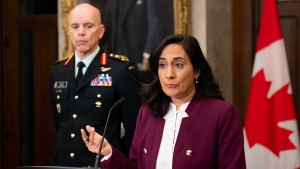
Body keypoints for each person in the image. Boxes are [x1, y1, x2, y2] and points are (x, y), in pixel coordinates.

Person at [81, 34, 246, 168]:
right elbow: (136, 166)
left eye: (179, 65)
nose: (169, 74)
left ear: (196, 70)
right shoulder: (147, 112)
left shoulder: (222, 114)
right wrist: (108, 152)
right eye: (162, 65)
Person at [49, 3, 141, 167]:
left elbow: (135, 130)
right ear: (68, 30)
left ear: (101, 31)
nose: (81, 32)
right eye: (75, 26)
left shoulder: (119, 70)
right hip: (63, 164)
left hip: (101, 164)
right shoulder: (58, 71)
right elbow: (60, 125)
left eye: (88, 26)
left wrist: (120, 162)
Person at [99, 0, 163, 83]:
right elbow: (106, 25)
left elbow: (155, 22)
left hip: (140, 58)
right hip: (116, 58)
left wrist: (149, 53)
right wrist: (90, 48)